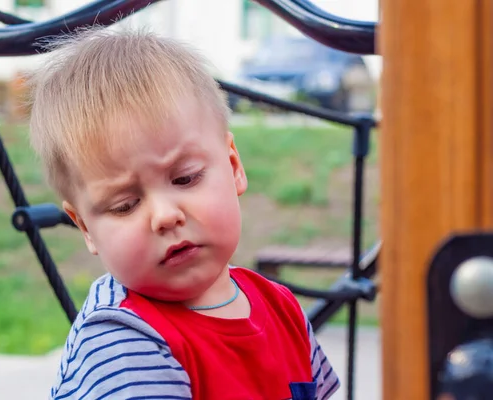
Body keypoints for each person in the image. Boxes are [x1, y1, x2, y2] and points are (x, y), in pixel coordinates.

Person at [26, 25, 340, 400]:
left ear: (233, 165)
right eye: (125, 205)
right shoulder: (124, 344)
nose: (164, 215)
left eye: (185, 178)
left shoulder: (281, 307)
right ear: (86, 228)